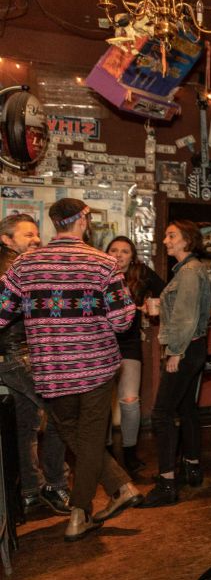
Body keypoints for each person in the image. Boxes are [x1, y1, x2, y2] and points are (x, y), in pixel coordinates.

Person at [0, 199, 141, 541]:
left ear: (54, 224)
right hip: (96, 367)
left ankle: (119, 490)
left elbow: (1, 313)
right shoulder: (104, 264)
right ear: (83, 220)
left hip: (50, 369)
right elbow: (123, 322)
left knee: (73, 434)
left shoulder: (24, 266)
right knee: (89, 438)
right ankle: (85, 511)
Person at [0, 214, 70, 515]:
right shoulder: (13, 269)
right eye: (28, 234)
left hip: (14, 356)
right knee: (60, 413)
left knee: (25, 424)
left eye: (37, 234)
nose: (36, 240)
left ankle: (30, 490)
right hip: (20, 356)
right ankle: (56, 485)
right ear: (6, 239)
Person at [140, 220, 211, 507]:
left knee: (161, 413)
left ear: (186, 241)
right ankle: (192, 467)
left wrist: (176, 352)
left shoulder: (190, 272)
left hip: (186, 349)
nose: (166, 240)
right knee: (186, 408)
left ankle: (167, 483)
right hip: (193, 348)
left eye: (171, 235)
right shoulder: (189, 270)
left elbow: (185, 317)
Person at [105, 236, 166, 474]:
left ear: (132, 257)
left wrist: (150, 305)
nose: (119, 255)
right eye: (114, 250)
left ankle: (130, 452)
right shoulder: (99, 273)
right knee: (102, 403)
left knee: (130, 401)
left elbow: (167, 291)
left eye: (125, 251)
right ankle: (106, 452)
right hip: (100, 344)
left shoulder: (140, 274)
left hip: (129, 344)